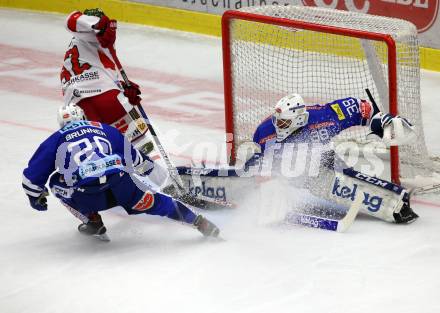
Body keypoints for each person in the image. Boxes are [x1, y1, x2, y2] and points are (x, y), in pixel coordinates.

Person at [22, 104, 220, 241]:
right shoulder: (105, 129)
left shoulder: (56, 138)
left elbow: (31, 179)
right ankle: (199, 222)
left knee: (56, 184)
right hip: (121, 186)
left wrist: (36, 199)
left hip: (87, 194)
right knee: (158, 202)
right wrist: (164, 183)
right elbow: (138, 160)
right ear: (83, 116)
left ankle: (92, 220)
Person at [246, 93, 419, 224]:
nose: (278, 125)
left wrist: (382, 121)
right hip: (294, 172)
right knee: (329, 184)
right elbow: (257, 161)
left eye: (284, 122)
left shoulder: (325, 117)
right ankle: (388, 205)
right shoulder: (265, 131)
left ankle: (394, 201)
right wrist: (257, 169)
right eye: (278, 120)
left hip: (324, 158)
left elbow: (363, 108)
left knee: (347, 180)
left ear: (299, 119)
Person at [60, 8, 153, 155]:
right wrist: (99, 24)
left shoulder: (76, 45)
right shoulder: (96, 36)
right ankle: (150, 173)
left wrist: (123, 87)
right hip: (105, 98)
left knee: (102, 154)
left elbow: (96, 72)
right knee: (141, 147)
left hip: (76, 108)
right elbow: (70, 20)